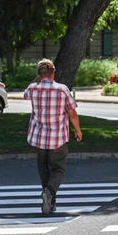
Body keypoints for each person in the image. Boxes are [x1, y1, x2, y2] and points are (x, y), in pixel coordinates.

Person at [24, 59, 83, 214]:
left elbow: (25, 94)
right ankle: (49, 192)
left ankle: (50, 200)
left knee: (43, 169)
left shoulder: (33, 88)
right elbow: (72, 113)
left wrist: (38, 78)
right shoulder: (62, 89)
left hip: (39, 137)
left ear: (39, 73)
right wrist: (78, 130)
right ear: (53, 72)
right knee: (58, 169)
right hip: (58, 138)